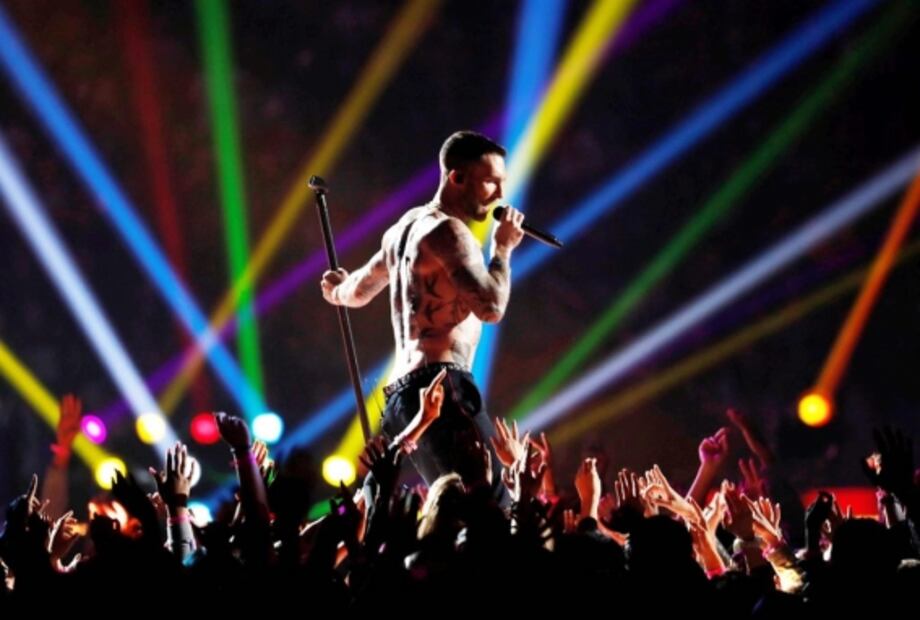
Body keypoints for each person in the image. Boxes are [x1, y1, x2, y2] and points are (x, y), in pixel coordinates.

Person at [321, 130, 524, 502]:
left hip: (401, 398)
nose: (499, 194)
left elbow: (358, 291)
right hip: (442, 389)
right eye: (490, 182)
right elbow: (491, 308)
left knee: (453, 505)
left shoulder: (405, 229)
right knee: (490, 505)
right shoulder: (451, 232)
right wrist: (503, 249)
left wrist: (337, 289)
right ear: (456, 177)